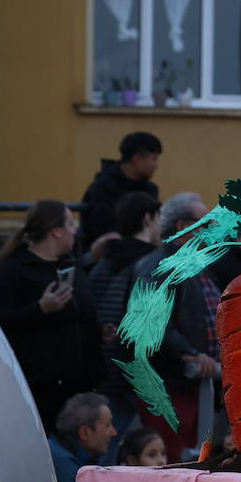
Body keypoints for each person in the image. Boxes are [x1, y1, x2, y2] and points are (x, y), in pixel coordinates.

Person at [0, 201, 105, 433]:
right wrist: (39, 310)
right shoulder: (14, 270)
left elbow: (82, 313)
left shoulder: (71, 265)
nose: (75, 230)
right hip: (41, 386)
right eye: (70, 224)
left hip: (81, 383)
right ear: (56, 230)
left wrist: (102, 331)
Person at [134, 192, 220, 460]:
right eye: (204, 222)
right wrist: (189, 353)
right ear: (184, 226)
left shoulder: (190, 265)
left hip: (192, 384)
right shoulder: (161, 266)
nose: (210, 229)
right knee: (172, 464)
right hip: (169, 386)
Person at [88, 191, 163, 461]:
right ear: (147, 218)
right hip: (135, 368)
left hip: (103, 365)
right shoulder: (149, 264)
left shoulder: (103, 262)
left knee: (106, 439)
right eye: (158, 219)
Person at [79, 131, 162, 251]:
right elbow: (102, 230)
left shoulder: (150, 189)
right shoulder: (102, 188)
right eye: (153, 159)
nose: (156, 165)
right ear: (137, 159)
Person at [48, 392, 117, 482]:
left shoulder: (54, 452)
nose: (114, 432)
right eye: (107, 425)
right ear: (85, 432)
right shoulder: (65, 466)